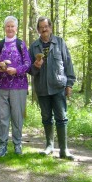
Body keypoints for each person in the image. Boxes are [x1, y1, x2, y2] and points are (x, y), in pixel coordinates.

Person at [28, 16, 76, 160]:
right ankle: (49, 146)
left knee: (62, 117)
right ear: (38, 30)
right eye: (41, 27)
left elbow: (68, 64)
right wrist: (35, 67)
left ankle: (64, 149)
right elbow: (30, 70)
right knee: (46, 117)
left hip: (58, 86)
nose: (44, 29)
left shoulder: (59, 42)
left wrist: (69, 84)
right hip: (42, 88)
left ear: (50, 28)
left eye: (46, 26)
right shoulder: (34, 47)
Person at [0, 16, 31, 157]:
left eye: (12, 26)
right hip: (1, 85)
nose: (10, 28)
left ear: (16, 28)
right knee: (2, 117)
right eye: (7, 26)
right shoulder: (0, 45)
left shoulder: (21, 44)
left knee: (17, 116)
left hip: (18, 86)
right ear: (4, 28)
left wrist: (16, 70)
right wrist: (0, 68)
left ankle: (17, 144)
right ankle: (2, 145)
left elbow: (27, 63)